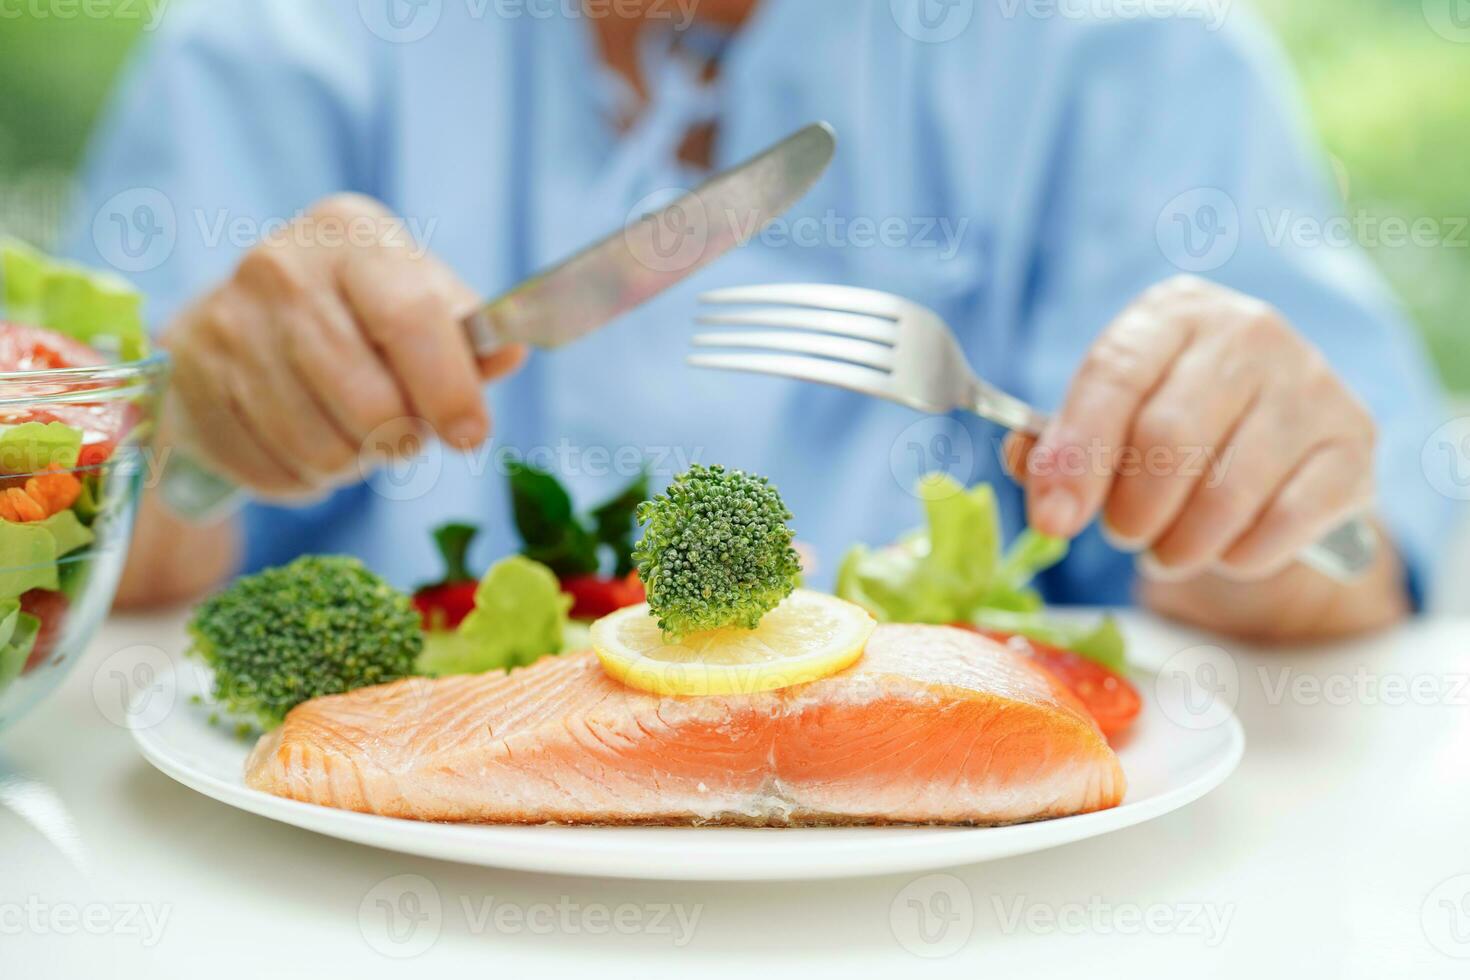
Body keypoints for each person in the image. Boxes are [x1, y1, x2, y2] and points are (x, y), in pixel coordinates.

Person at [63, 0, 1451, 641]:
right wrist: (177, 435)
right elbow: (69, 570)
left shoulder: (1144, 50)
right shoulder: (260, 45)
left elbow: (1360, 572)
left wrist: (1267, 513)